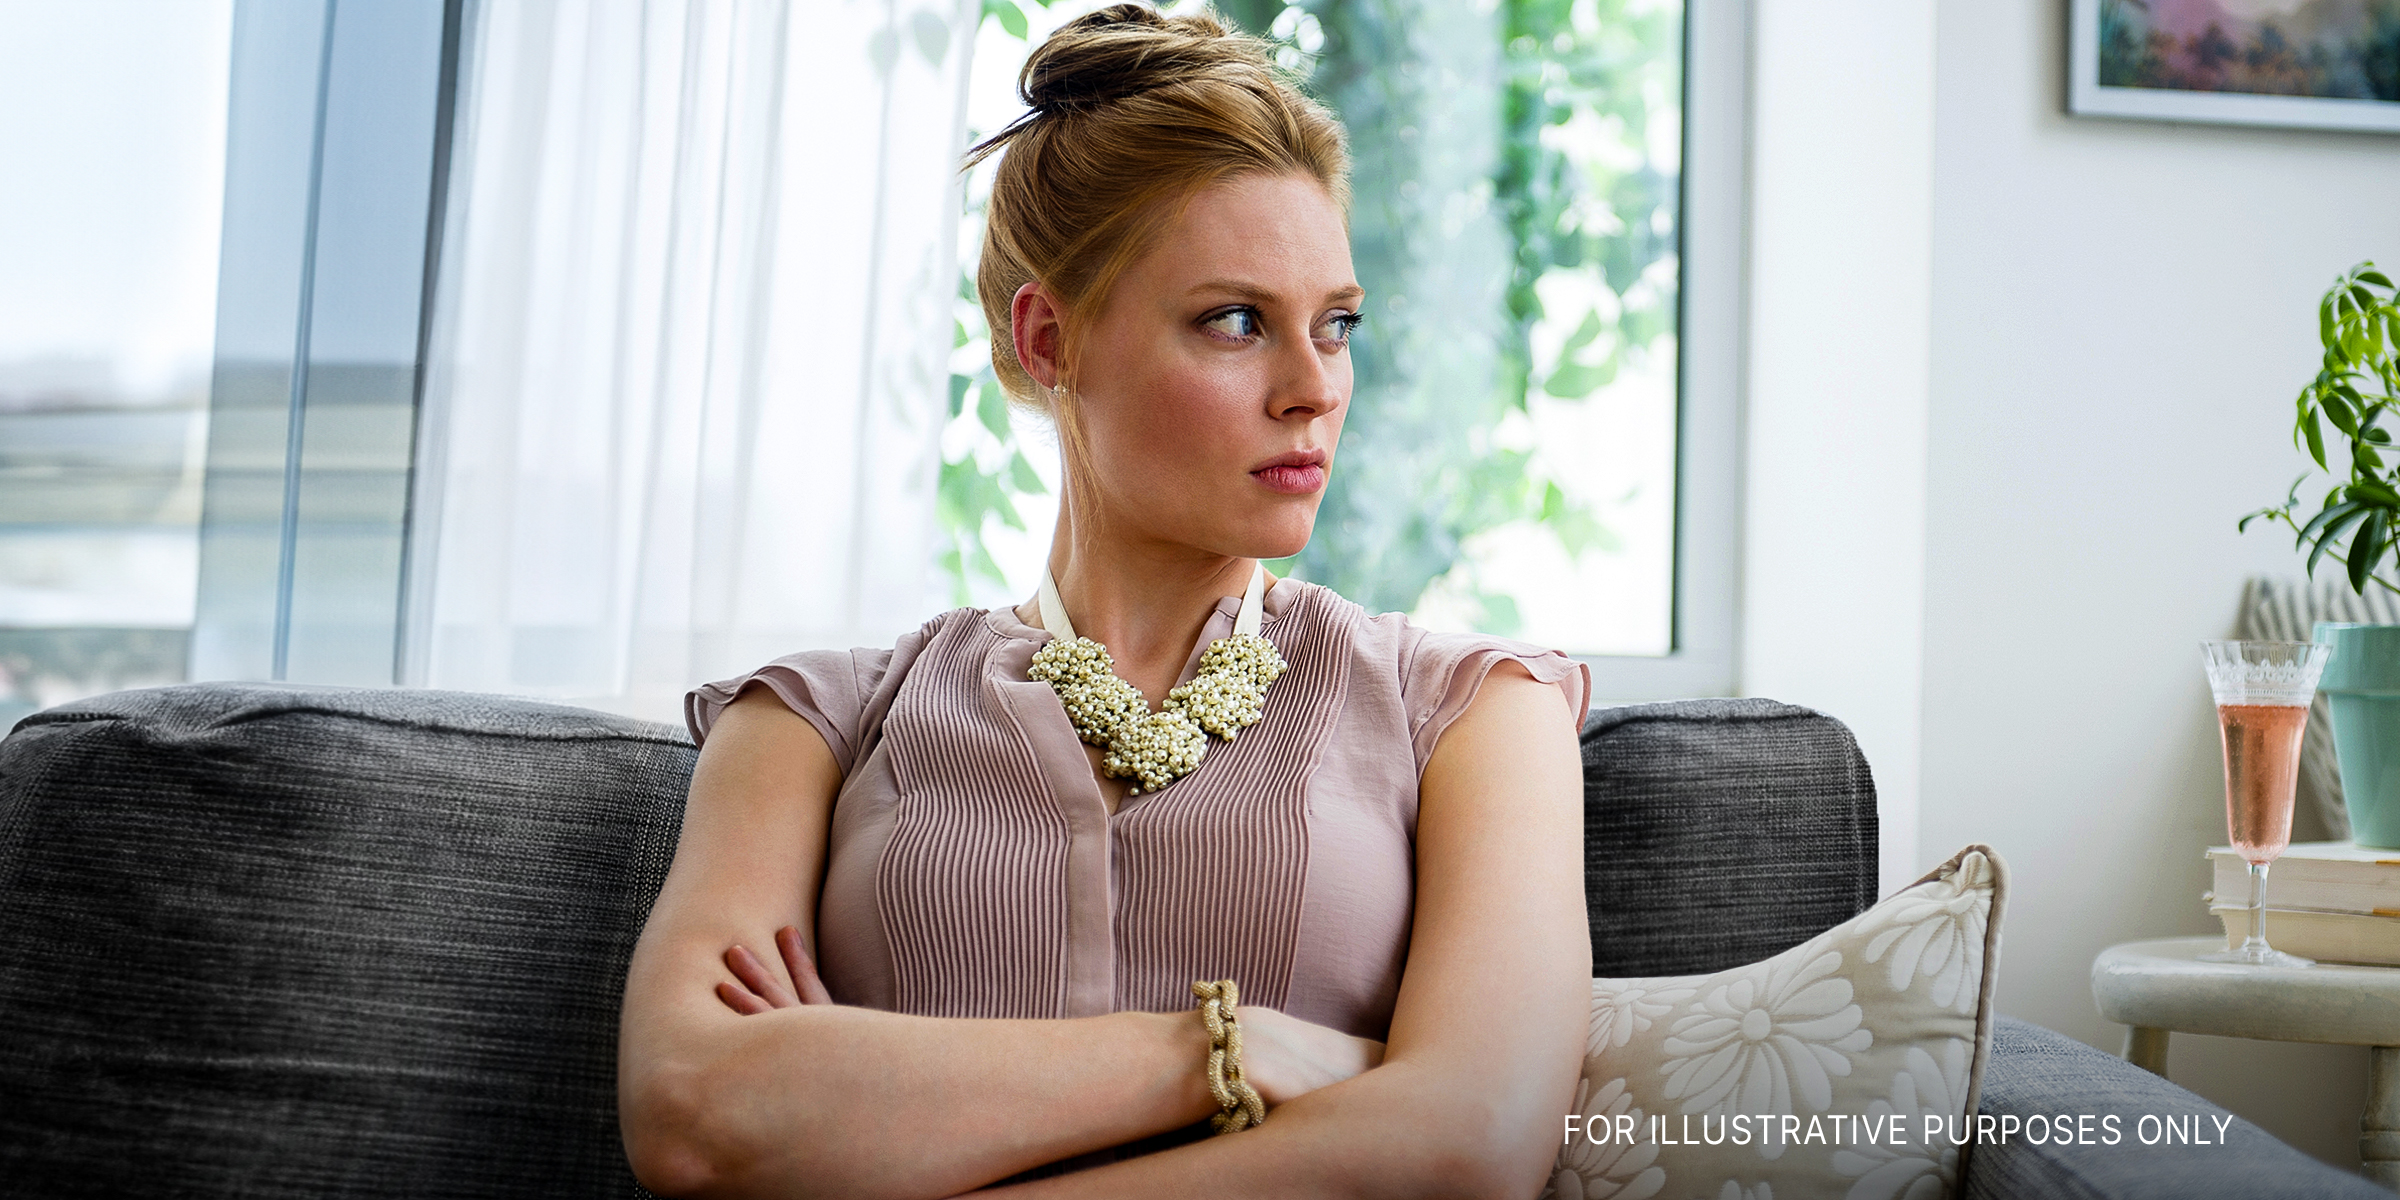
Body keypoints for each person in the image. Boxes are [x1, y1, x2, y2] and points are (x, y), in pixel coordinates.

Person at [616, 6, 1591, 1196]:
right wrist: (1224, 1051)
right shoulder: (814, 723)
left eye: (1336, 325)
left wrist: (850, 1107)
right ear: (1049, 340)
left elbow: (1470, 1145)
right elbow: (693, 1115)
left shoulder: (1477, 714)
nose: (1314, 390)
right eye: (1236, 320)